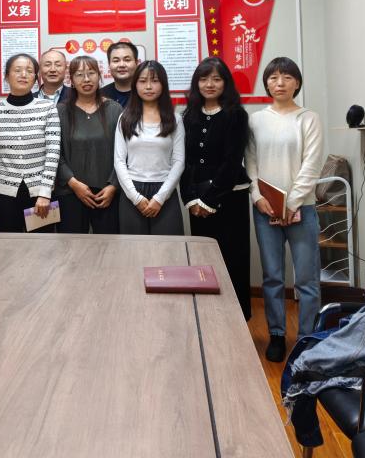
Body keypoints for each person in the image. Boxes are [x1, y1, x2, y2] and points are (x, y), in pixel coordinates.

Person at [245, 56, 324, 363]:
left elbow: (311, 164)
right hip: (265, 210)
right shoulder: (256, 120)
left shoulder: (308, 118)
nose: (280, 83)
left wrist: (292, 203)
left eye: (287, 77)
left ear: (297, 83)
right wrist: (256, 197)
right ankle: (277, 334)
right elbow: (250, 162)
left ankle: (307, 338)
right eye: (274, 77)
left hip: (301, 210)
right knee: (273, 276)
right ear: (266, 83)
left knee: (307, 279)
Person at [180, 57, 252, 320]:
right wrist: (190, 199)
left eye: (216, 79)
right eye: (203, 79)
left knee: (233, 259)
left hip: (229, 197)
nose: (209, 84)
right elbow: (184, 161)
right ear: (196, 83)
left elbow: (232, 162)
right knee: (203, 261)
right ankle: (208, 316)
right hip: (197, 201)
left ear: (226, 83)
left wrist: (209, 200)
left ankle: (236, 318)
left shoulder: (236, 115)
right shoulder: (189, 115)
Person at [0, 53, 61, 232]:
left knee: (42, 245)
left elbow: (53, 152)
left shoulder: (47, 108)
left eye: (29, 71)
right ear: (6, 76)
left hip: (40, 194)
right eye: (17, 70)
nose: (23, 74)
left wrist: (45, 192)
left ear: (35, 78)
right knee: (8, 244)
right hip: (4, 195)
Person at [113, 60, 185, 235]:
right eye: (143, 81)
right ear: (135, 84)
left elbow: (179, 161)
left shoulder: (174, 119)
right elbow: (119, 161)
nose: (148, 86)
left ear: (163, 84)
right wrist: (135, 197)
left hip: (164, 191)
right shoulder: (125, 118)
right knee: (133, 249)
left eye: (155, 81)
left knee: (167, 248)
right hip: (132, 191)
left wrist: (160, 198)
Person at [56, 55, 123, 234]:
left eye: (91, 73)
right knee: (71, 246)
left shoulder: (115, 109)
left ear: (99, 76)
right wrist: (73, 183)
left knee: (109, 245)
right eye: (79, 74)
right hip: (70, 192)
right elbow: (54, 153)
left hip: (107, 194)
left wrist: (113, 186)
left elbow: (124, 153)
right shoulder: (60, 111)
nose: (86, 79)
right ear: (71, 80)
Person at [101, 41, 139, 107]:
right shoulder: (100, 95)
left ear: (136, 63)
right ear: (109, 65)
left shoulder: (146, 93)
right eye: (116, 61)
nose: (122, 65)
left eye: (127, 60)